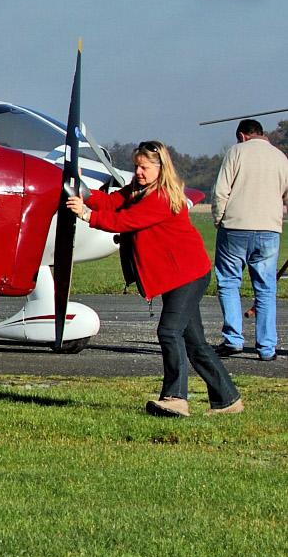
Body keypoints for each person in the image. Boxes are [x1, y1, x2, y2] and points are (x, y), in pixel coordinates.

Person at [67, 141, 242, 417]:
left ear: (160, 169)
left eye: (144, 167)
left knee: (169, 331)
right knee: (195, 343)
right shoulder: (140, 190)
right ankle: (228, 399)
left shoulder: (160, 197)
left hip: (188, 275)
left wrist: (87, 214)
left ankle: (175, 398)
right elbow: (114, 202)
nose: (138, 171)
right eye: (137, 166)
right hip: (176, 276)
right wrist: (86, 194)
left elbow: (125, 221)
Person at [210, 119, 288, 362]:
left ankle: (234, 339)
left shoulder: (235, 152)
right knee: (266, 288)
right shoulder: (280, 157)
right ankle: (266, 347)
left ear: (242, 136)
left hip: (235, 227)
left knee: (229, 282)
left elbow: (221, 190)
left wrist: (218, 219)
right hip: (269, 229)